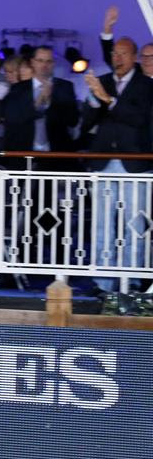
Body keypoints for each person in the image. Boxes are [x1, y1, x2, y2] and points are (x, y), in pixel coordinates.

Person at [81, 36, 153, 292]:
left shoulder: (146, 85)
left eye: (123, 54)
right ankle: (103, 281)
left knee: (134, 224)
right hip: (103, 162)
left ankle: (130, 280)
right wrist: (94, 99)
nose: (117, 58)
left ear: (134, 57)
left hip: (134, 163)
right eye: (114, 54)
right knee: (102, 224)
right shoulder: (103, 81)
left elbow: (140, 119)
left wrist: (109, 100)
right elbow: (87, 123)